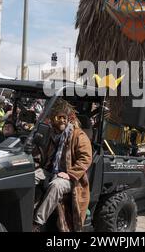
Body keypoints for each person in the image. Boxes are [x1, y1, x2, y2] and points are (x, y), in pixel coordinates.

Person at [32, 99, 92, 232]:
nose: (61, 121)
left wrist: (70, 173)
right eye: (57, 117)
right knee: (29, 177)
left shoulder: (78, 135)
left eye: (64, 117)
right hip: (50, 171)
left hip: (71, 178)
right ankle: (25, 210)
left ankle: (37, 223)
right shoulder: (51, 134)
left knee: (56, 185)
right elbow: (40, 154)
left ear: (69, 118)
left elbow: (85, 158)